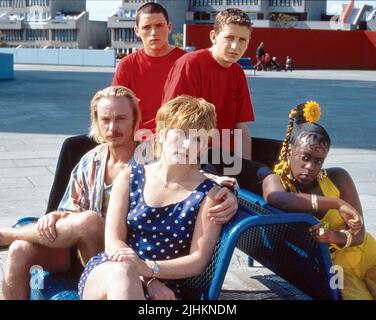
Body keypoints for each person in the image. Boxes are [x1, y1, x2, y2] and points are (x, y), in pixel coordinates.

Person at [0, 86, 237, 300]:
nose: (187, 145)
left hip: (145, 271)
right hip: (106, 261)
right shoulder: (110, 168)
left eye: (121, 118)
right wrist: (57, 215)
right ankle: (11, 236)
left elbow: (197, 255)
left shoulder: (197, 188)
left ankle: (9, 234)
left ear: (136, 121)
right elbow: (100, 231)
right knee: (23, 250)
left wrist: (229, 191)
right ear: (163, 134)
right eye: (106, 119)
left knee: (100, 238)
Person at [79, 95, 222, 300]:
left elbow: (198, 260)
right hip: (112, 268)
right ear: (162, 134)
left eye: (198, 138)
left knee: (126, 281)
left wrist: (150, 270)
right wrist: (147, 277)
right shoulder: (130, 177)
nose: (188, 144)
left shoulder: (208, 194)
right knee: (123, 276)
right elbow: (113, 242)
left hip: (166, 285)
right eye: (181, 134)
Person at [262, 101, 376, 300]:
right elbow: (280, 200)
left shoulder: (338, 177)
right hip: (331, 268)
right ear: (289, 152)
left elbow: (359, 233)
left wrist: (335, 236)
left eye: (318, 161)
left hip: (366, 254)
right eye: (305, 157)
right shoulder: (275, 181)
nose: (310, 166)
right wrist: (336, 203)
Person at [112, 2, 186, 131]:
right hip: (136, 138)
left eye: (159, 26)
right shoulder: (127, 65)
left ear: (169, 27)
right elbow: (116, 106)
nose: (153, 32)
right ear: (137, 31)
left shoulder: (187, 62)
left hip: (176, 137)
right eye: (146, 27)